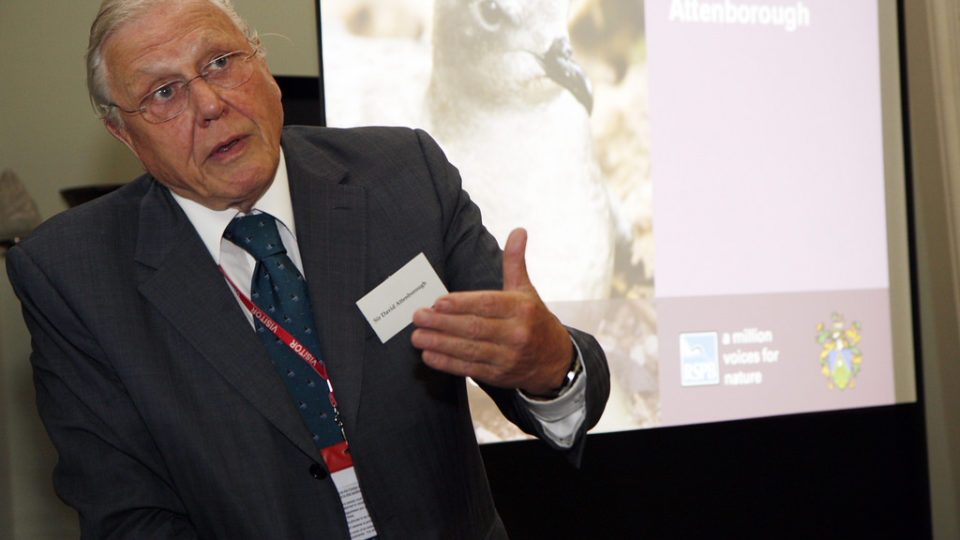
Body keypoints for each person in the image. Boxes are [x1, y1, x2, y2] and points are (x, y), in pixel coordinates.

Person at [5, 0, 609, 538]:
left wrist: (550, 363)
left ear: (261, 62)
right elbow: (125, 514)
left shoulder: (403, 175)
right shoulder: (71, 274)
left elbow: (536, 363)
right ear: (123, 133)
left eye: (220, 62)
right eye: (163, 93)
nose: (211, 104)